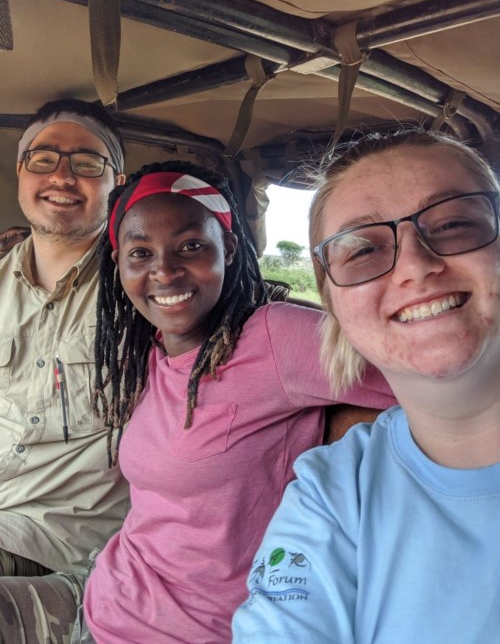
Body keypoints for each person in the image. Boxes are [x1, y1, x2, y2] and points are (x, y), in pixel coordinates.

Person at [77, 160, 396, 643]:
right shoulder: (149, 353)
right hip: (103, 597)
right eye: (140, 253)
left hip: (197, 630)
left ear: (227, 247)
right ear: (120, 265)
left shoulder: (275, 338)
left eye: (191, 246)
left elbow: (427, 375)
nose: (164, 270)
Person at [232, 128, 500, 643]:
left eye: (453, 224)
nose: (415, 266)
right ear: (333, 304)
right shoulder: (330, 495)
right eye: (362, 251)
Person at [0, 98, 128, 641]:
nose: (62, 177)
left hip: (61, 540)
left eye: (87, 163)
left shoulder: (146, 288)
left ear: (116, 182)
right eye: (44, 159)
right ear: (20, 170)